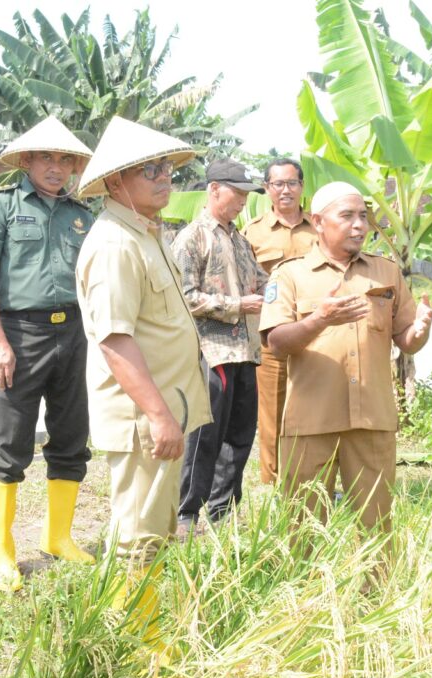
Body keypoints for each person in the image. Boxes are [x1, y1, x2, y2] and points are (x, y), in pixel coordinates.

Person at [75, 116, 211, 642]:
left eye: (166, 167)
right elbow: (115, 340)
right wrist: (157, 414)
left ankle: (137, 630)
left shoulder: (145, 234)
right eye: (149, 170)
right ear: (115, 181)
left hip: (159, 410)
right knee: (138, 535)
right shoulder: (115, 244)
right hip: (142, 419)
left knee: (150, 528)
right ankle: (136, 642)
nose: (164, 177)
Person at [259, 181, 432, 537]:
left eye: (363, 217)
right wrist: (320, 319)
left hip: (372, 420)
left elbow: (406, 339)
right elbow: (276, 343)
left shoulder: (386, 272)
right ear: (318, 222)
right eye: (347, 216)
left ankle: (376, 579)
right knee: (303, 530)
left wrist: (419, 332)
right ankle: (306, 577)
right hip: (310, 422)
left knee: (376, 529)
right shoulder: (290, 274)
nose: (359, 225)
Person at [0, 116, 96, 592]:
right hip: (20, 334)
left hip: (75, 332)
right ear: (26, 161)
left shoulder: (83, 215)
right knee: (11, 442)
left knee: (72, 436)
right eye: (46, 157)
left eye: (64, 159)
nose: (56, 167)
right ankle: (0, 550)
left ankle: (58, 536)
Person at [172, 159, 267, 534]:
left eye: (246, 194)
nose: (243, 200)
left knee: (239, 436)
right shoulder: (192, 237)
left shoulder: (240, 240)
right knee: (204, 436)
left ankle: (223, 512)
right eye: (238, 192)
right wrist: (236, 305)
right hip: (211, 351)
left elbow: (263, 282)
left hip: (246, 351)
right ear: (214, 190)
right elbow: (183, 296)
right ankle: (186, 513)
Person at [242, 158, 318, 484]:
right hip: (271, 336)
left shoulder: (320, 227)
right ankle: (275, 482)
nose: (285, 190)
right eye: (278, 184)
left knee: (318, 407)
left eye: (291, 183)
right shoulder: (252, 232)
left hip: (317, 333)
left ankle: (314, 477)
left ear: (302, 186)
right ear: (267, 188)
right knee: (272, 410)